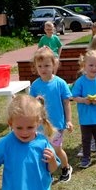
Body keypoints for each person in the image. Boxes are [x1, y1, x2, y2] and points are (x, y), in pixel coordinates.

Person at [29, 46, 73, 182]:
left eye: (47, 65)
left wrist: (68, 120)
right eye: (40, 66)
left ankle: (66, 167)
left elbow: (67, 103)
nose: (43, 69)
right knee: (42, 151)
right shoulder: (35, 85)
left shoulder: (60, 83)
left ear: (54, 65)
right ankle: (47, 173)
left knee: (56, 149)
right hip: (40, 126)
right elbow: (31, 105)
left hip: (57, 125)